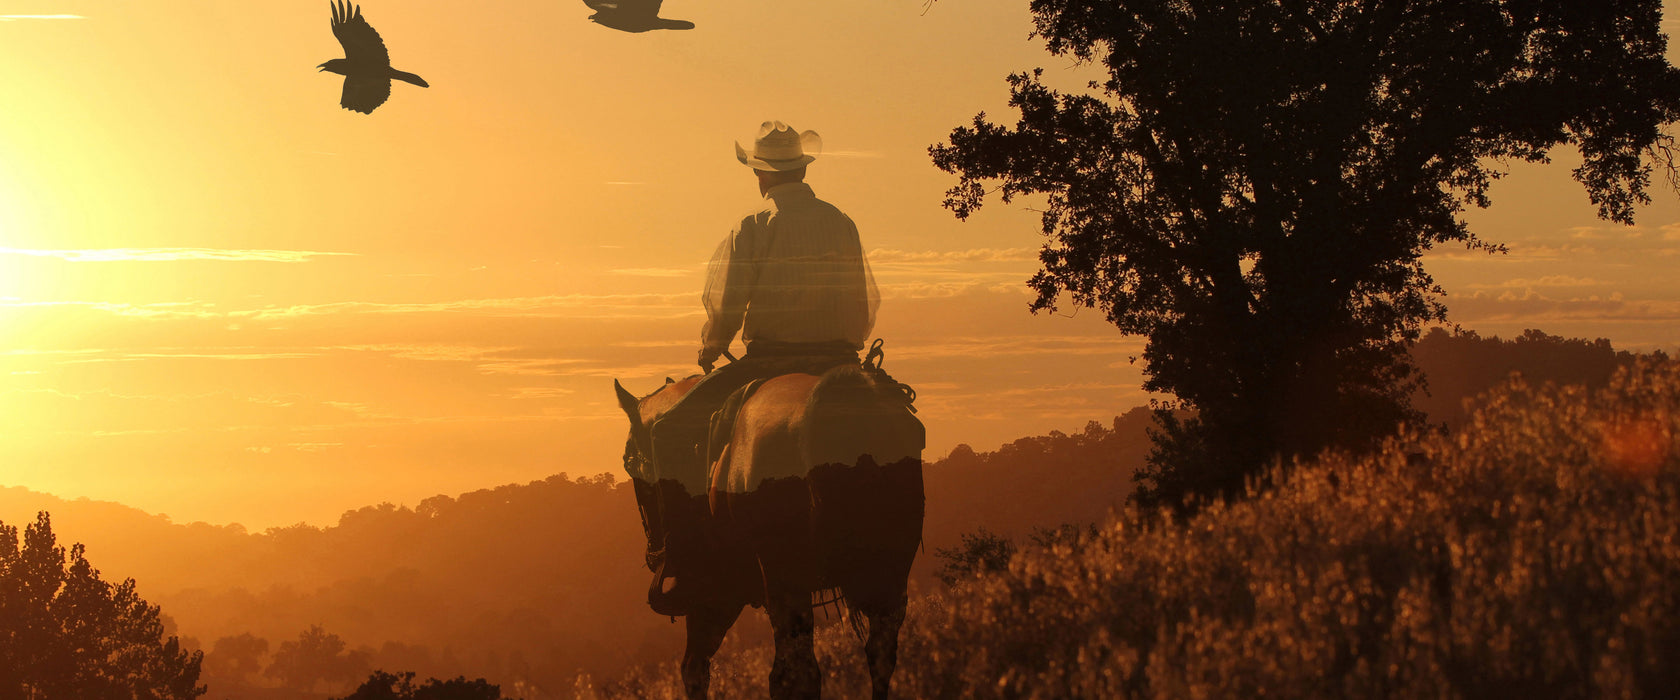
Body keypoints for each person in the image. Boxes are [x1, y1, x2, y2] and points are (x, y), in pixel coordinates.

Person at [643, 120, 879, 615]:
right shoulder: (841, 221)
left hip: (771, 359)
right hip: (841, 358)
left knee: (667, 430)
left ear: (762, 175)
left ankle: (684, 559)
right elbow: (861, 297)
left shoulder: (753, 226)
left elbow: (729, 300)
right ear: (801, 167)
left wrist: (713, 345)